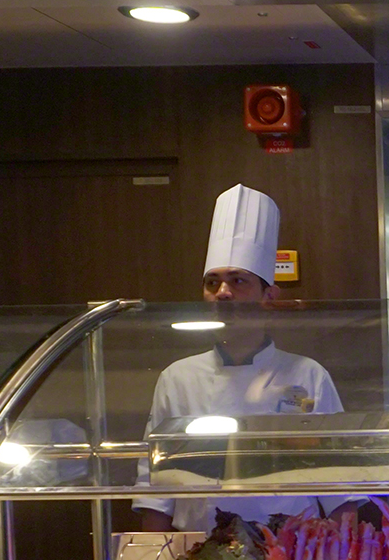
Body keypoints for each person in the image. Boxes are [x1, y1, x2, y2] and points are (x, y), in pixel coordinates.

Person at [135, 184, 349, 533]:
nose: (223, 292)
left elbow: (340, 483)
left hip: (291, 549)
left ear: (269, 296)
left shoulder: (308, 374)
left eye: (238, 281)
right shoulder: (177, 378)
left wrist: (341, 558)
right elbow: (155, 484)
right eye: (212, 283)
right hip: (200, 547)